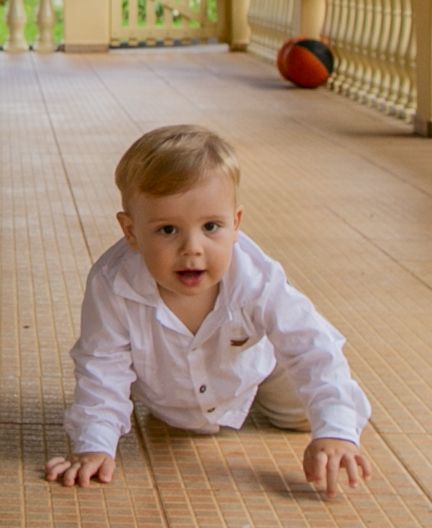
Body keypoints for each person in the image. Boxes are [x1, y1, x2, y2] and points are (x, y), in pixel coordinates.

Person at [47, 125, 374, 498]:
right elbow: (102, 366)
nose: (192, 248)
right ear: (131, 231)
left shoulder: (257, 277)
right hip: (163, 383)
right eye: (167, 230)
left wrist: (335, 431)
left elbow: (311, 346)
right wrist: (94, 445)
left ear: (236, 224)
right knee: (153, 409)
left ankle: (320, 411)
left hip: (259, 364)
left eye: (211, 227)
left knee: (300, 415)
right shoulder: (112, 283)